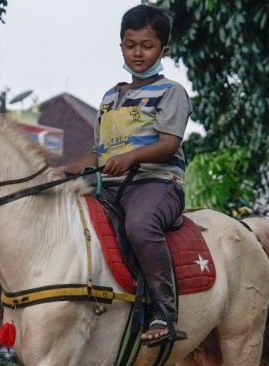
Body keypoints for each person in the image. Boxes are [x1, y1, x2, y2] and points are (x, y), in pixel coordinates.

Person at [60, 4, 191, 346]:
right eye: (130, 44)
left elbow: (168, 143)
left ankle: (164, 310)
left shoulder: (170, 91)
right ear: (121, 46)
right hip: (112, 187)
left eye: (147, 46)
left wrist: (131, 157)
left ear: (165, 50)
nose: (138, 52)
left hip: (157, 183)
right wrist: (69, 168)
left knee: (139, 226)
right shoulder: (108, 98)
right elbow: (99, 152)